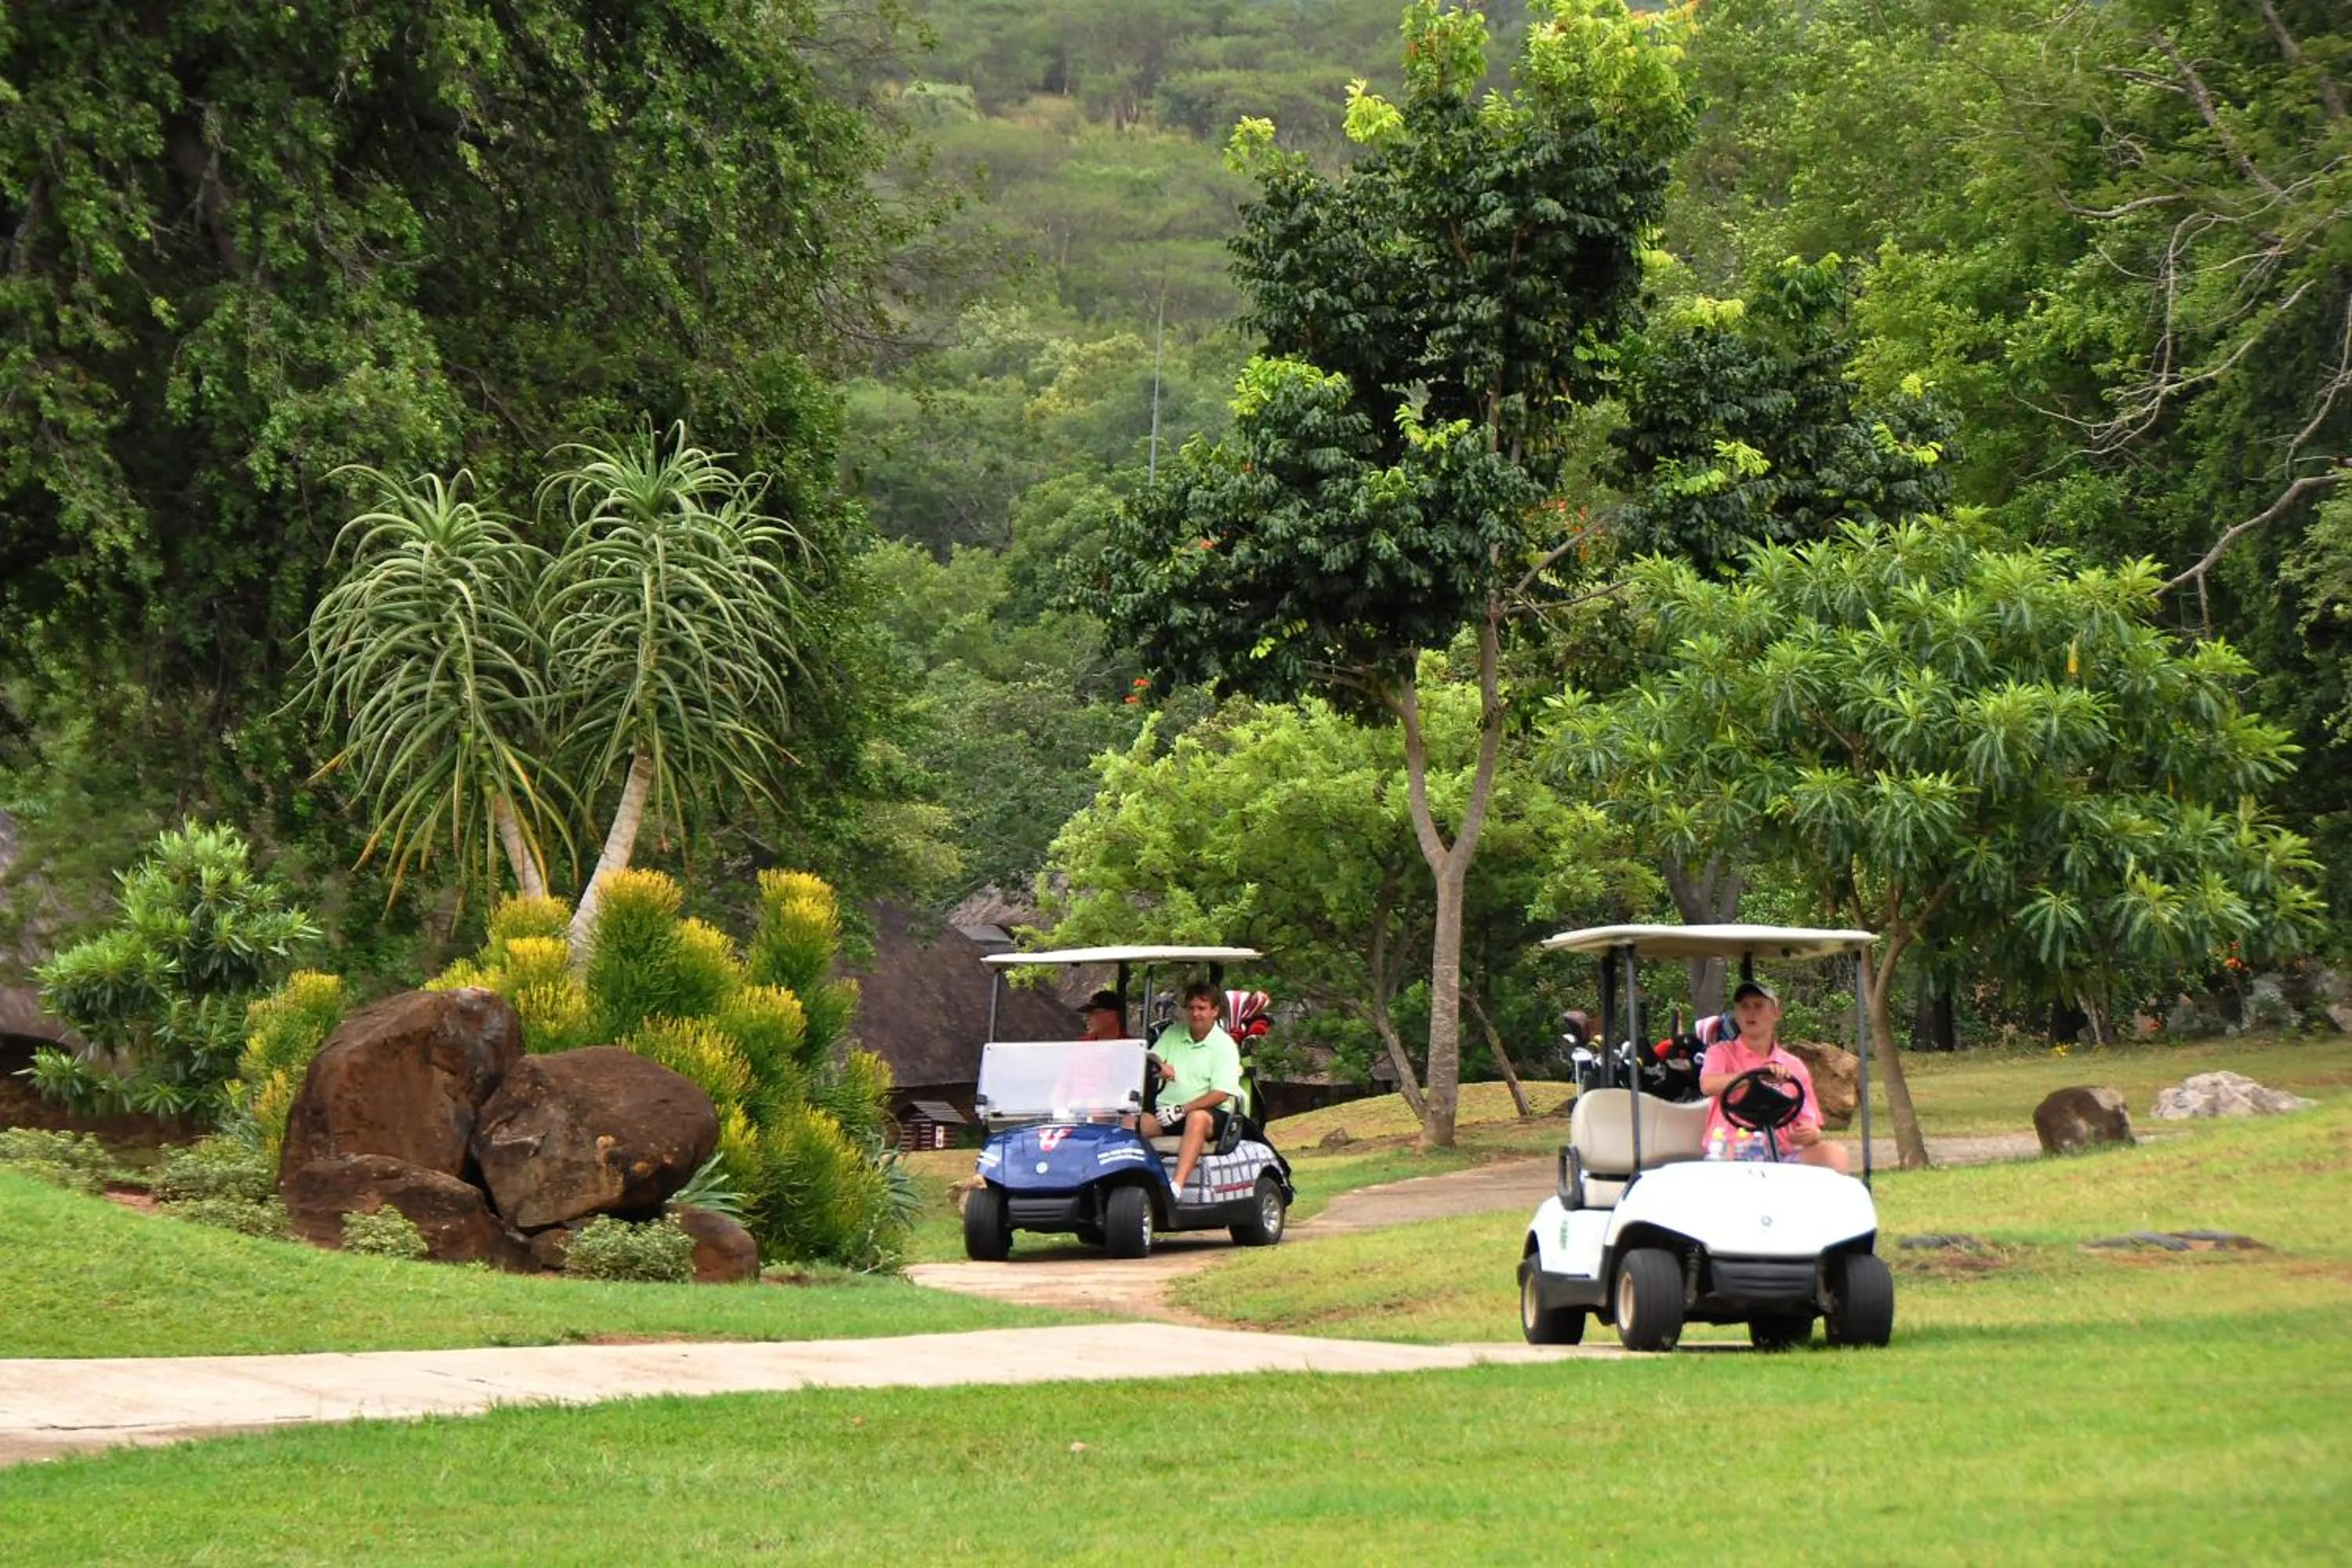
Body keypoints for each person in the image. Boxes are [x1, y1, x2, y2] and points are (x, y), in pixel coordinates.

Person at [1696, 979, 1849, 1172]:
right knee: (1734, 1162)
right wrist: (1755, 1078)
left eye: (1758, 1006)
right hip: (1733, 1151)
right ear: (1736, 1015)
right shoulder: (1721, 1052)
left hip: (1781, 1155)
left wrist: (1811, 1133)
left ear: (1776, 1013)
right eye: (1744, 1007)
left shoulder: (1794, 1066)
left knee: (1835, 1155)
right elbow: (1708, 1085)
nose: (1750, 1012)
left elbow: (1808, 1119)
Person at [1141, 982, 1247, 1199]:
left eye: (1201, 1008)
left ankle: (1176, 1186)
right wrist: (1160, 1066)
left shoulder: (1224, 1045)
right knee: (1134, 1122)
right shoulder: (1173, 1033)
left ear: (1215, 1011)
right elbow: (1153, 1059)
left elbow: (1222, 1092)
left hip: (1210, 1114)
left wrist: (1183, 1109)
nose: (1195, 1014)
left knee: (1197, 1118)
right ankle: (1136, 1182)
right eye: (1191, 1008)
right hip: (1167, 1113)